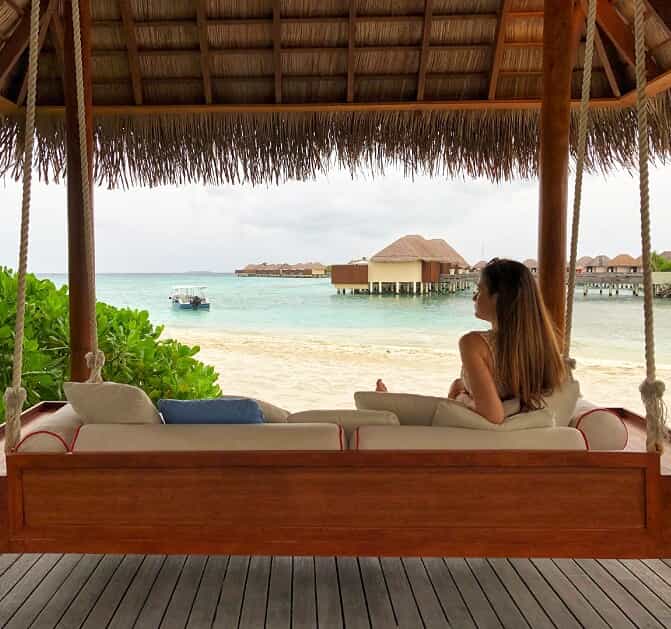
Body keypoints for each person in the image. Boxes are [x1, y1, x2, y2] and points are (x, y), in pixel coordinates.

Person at [376, 258, 566, 424]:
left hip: (473, 442)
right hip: (517, 439)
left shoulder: (474, 344)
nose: (474, 297)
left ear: (498, 298)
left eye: (479, 290)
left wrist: (460, 395)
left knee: (398, 412)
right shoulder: (543, 347)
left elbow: (493, 415)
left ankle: (387, 408)